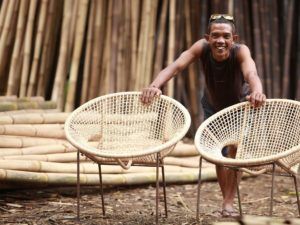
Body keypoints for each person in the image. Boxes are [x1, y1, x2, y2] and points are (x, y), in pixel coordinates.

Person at [140, 14, 266, 217]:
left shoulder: (241, 51)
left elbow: (251, 74)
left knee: (235, 151)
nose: (220, 41)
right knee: (215, 154)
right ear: (207, 37)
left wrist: (257, 91)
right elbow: (176, 67)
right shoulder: (201, 47)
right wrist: (154, 86)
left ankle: (228, 204)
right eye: (215, 36)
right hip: (212, 106)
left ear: (234, 38)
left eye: (226, 36)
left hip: (240, 106)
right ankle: (227, 203)